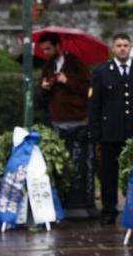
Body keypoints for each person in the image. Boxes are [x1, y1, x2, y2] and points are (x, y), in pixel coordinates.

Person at [88, 32, 133, 224]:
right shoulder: (102, 72)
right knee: (109, 175)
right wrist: (95, 134)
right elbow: (94, 105)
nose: (122, 48)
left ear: (130, 47)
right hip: (109, 132)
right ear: (113, 48)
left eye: (125, 45)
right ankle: (109, 210)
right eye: (118, 45)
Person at [38, 31, 95, 216]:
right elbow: (42, 92)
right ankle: (62, 200)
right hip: (57, 118)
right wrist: (45, 86)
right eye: (43, 49)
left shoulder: (76, 63)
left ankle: (80, 201)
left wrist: (67, 80)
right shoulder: (48, 65)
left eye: (48, 48)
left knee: (79, 161)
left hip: (77, 118)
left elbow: (87, 88)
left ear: (57, 45)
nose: (46, 52)